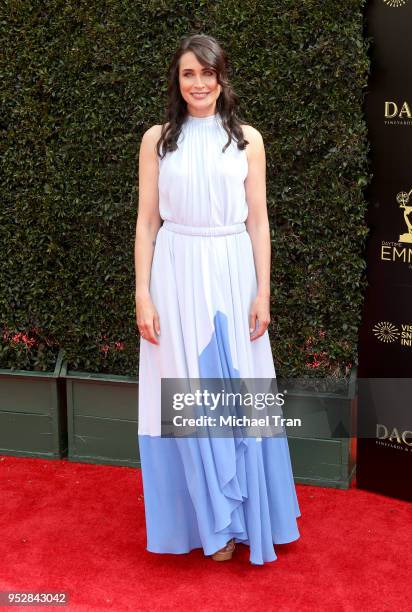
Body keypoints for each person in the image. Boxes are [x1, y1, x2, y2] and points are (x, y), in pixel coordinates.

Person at [135, 33, 301, 565]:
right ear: (177, 82)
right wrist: (142, 293)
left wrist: (263, 291)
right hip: (175, 272)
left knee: (239, 390)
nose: (199, 83)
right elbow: (145, 223)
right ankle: (209, 526)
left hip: (232, 271)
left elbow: (259, 221)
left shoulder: (249, 140)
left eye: (207, 73)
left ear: (222, 77)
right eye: (188, 74)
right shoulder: (157, 140)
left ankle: (248, 518)